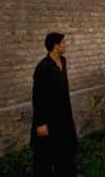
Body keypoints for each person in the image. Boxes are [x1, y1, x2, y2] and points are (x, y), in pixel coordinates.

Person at [31, 32, 78, 177]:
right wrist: (41, 123)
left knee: (66, 148)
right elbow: (37, 97)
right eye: (63, 42)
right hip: (48, 118)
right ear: (56, 46)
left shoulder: (62, 61)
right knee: (44, 153)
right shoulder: (43, 67)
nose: (66, 45)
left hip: (63, 116)